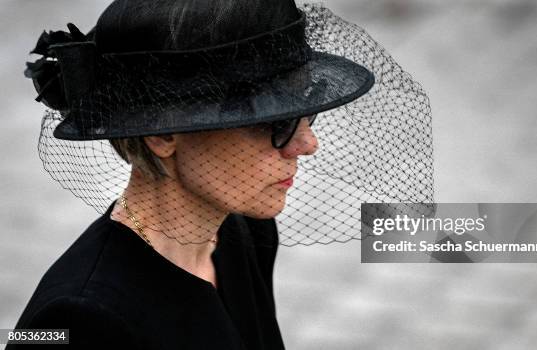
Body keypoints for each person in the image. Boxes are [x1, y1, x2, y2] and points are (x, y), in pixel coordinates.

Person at [9, 0, 434, 348]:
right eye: (271, 122)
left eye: (303, 110)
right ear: (164, 133)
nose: (307, 144)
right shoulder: (79, 317)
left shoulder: (241, 231)